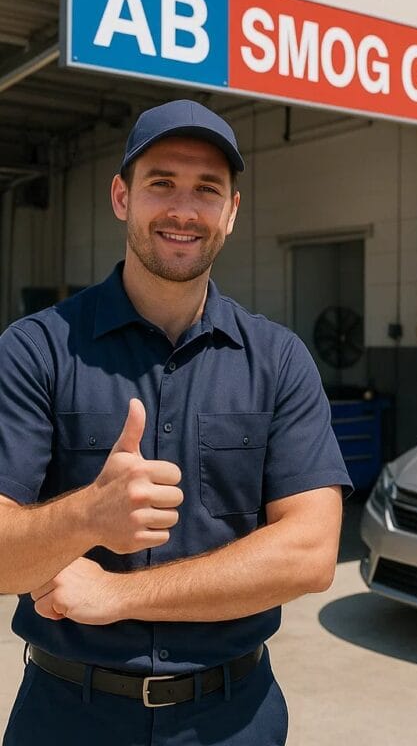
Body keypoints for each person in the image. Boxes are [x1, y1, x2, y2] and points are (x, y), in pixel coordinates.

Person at [0, 99, 351, 745]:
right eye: (161, 183)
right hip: (66, 715)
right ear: (121, 197)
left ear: (232, 212)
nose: (184, 209)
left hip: (232, 717)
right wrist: (87, 516)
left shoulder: (277, 360)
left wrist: (118, 594)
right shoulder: (35, 349)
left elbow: (309, 554)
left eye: (207, 190)